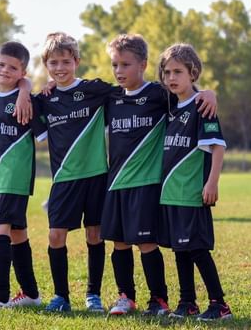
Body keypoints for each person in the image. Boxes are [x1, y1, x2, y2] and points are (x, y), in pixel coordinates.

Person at [100, 34, 217, 316]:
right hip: (115, 182)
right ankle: (126, 297)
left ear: (143, 64)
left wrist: (209, 93)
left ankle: (158, 299)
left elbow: (188, 93)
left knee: (146, 242)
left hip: (147, 184)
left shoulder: (159, 94)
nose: (119, 71)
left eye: (126, 65)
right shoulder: (110, 97)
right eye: (115, 64)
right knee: (119, 242)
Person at [35, 32, 113, 313]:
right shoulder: (43, 100)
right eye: (53, 63)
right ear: (46, 65)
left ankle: (93, 295)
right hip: (63, 179)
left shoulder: (96, 90)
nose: (59, 68)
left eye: (65, 62)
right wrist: (25, 91)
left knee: (95, 234)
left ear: (76, 61)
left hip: (96, 176)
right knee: (56, 236)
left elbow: (130, 91)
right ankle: (61, 296)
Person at [158, 43, 232, 321]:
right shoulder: (169, 107)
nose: (171, 78)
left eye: (178, 71)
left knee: (198, 249)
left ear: (193, 73)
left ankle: (219, 304)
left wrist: (212, 183)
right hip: (170, 194)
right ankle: (187, 302)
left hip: (192, 192)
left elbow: (218, 146)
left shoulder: (202, 106)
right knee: (180, 249)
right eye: (167, 72)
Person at [0, 41, 46, 311]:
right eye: (0, 64)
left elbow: (46, 135)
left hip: (14, 174)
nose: (4, 70)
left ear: (22, 72)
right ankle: (31, 294)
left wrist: (27, 92)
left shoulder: (26, 101)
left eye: (12, 68)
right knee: (17, 234)